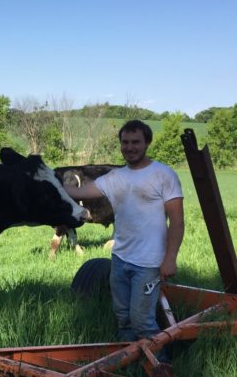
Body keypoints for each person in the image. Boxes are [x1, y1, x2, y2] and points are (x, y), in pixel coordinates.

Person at [65, 120, 184, 344]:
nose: (130, 147)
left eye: (136, 142)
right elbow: (79, 191)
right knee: (123, 318)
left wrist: (170, 259)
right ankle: (132, 363)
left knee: (142, 321)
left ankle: (162, 368)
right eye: (125, 142)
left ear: (147, 142)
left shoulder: (164, 175)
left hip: (148, 263)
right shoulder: (115, 177)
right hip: (120, 259)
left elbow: (177, 222)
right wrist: (47, 183)